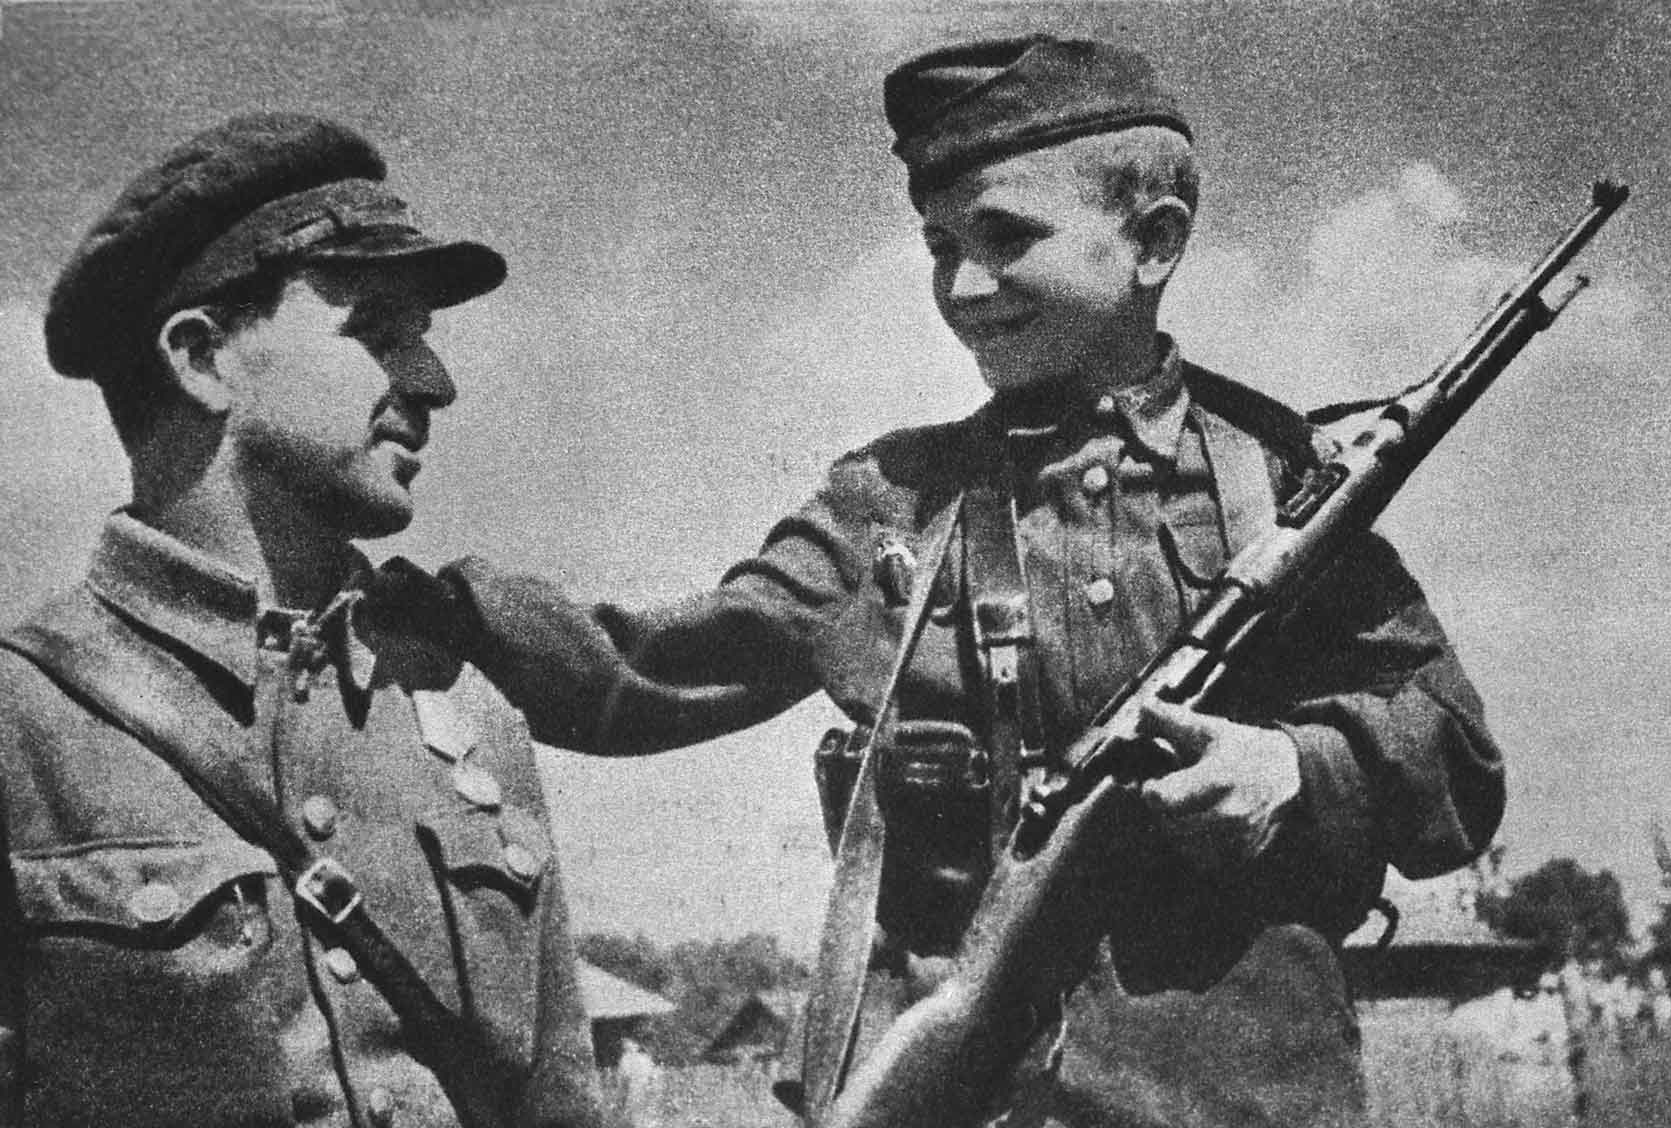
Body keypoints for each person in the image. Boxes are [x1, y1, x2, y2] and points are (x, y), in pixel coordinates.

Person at [378, 35, 1505, 1127]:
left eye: (1006, 236)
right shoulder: (894, 506)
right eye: (937, 245)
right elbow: (648, 670)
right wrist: (423, 615)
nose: (964, 286)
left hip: (1242, 1100)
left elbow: (1455, 754)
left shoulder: (1284, 487)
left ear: (1155, 241)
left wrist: (1293, 769)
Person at [0, 114, 604, 1128]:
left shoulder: (464, 711)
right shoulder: (23, 722)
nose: (435, 381)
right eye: (377, 331)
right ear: (203, 359)